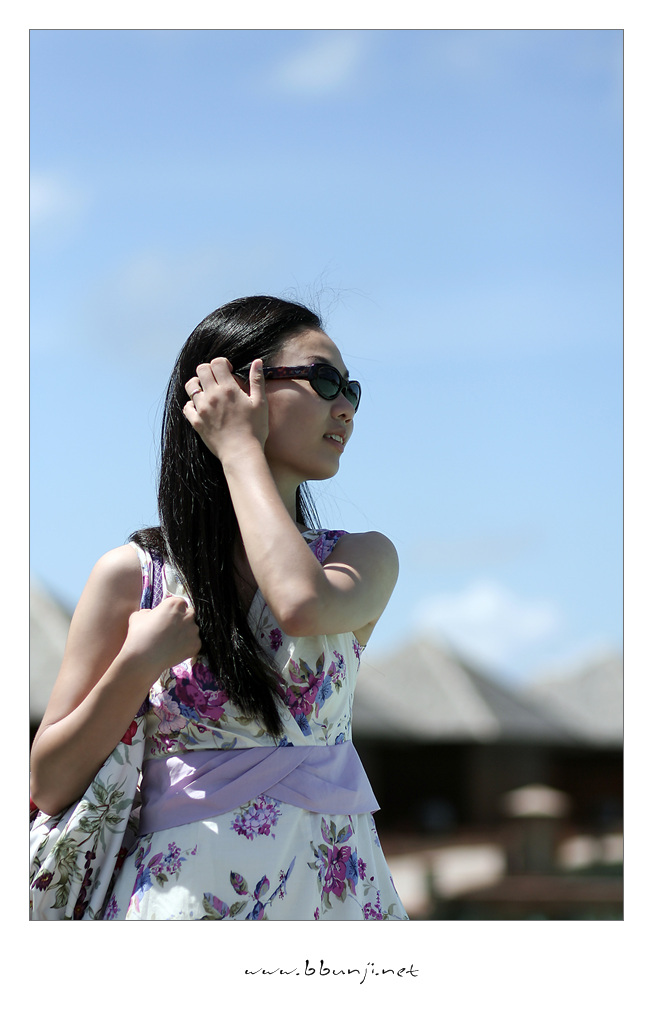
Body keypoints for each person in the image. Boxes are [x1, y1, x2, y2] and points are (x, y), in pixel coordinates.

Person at [30, 295, 408, 920]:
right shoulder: (134, 575)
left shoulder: (363, 557)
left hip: (330, 908)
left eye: (352, 390)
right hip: (178, 911)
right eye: (323, 380)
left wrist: (239, 452)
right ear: (231, 387)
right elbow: (49, 784)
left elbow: (300, 604)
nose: (345, 407)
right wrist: (136, 663)